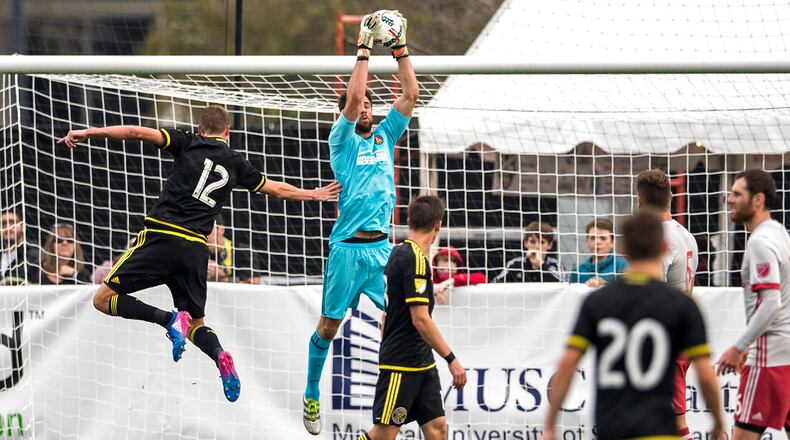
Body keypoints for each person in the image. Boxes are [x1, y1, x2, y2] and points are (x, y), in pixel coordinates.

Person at [58, 105, 340, 402]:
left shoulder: (187, 141)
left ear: (199, 129)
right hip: (195, 250)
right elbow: (277, 189)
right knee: (196, 325)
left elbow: (136, 132)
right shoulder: (235, 162)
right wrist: (313, 193)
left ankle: (167, 319)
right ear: (227, 132)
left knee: (102, 299)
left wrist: (89, 132)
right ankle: (219, 356)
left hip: (162, 237)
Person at [303, 10, 418, 434]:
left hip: (382, 250)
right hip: (348, 249)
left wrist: (400, 48)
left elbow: (409, 95)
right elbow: (352, 101)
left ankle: (400, 400)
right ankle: (312, 394)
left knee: (408, 317)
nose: (367, 107)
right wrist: (364, 49)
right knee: (329, 327)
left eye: (371, 103)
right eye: (363, 104)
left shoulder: (386, 136)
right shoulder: (342, 141)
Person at [543, 210, 724, 440]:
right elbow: (706, 375)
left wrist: (549, 423)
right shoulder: (682, 304)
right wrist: (718, 421)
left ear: (622, 249)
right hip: (659, 430)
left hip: (612, 429)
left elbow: (568, 365)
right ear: (664, 248)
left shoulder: (597, 302)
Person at [357, 195, 466, 440]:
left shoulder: (400, 253)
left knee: (438, 428)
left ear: (409, 220)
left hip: (421, 361)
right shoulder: (414, 258)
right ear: (438, 224)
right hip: (402, 363)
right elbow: (421, 319)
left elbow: (387, 315)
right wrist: (451, 359)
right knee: (383, 434)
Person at [716, 169, 790, 439]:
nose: (729, 199)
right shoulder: (780, 233)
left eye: (737, 194)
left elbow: (771, 302)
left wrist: (739, 347)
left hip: (770, 359)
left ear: (758, 200)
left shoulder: (760, 241)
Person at [636, 168, 699, 440]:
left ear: (639, 201)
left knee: (674, 420)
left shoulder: (658, 239)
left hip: (666, 336)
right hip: (680, 330)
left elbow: (653, 292)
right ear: (670, 197)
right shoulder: (687, 236)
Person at [493, 221, 561, 283]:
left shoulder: (556, 265)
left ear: (549, 245)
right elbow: (495, 283)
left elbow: (562, 288)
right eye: (532, 242)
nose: (537, 246)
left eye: (542, 242)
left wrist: (540, 265)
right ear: (525, 243)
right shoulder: (515, 264)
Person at [568, 218, 627, 286]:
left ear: (612, 243)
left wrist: (604, 285)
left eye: (603, 238)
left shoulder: (622, 265)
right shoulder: (578, 271)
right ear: (587, 242)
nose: (597, 242)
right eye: (593, 238)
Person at [0, 207, 40, 284]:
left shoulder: (34, 253)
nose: (8, 227)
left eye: (13, 222)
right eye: (3, 223)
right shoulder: (2, 254)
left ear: (23, 227)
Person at [207, 214, 233, 282]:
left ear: (221, 230)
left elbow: (254, 284)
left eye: (206, 228)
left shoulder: (241, 251)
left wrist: (221, 275)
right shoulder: (195, 251)